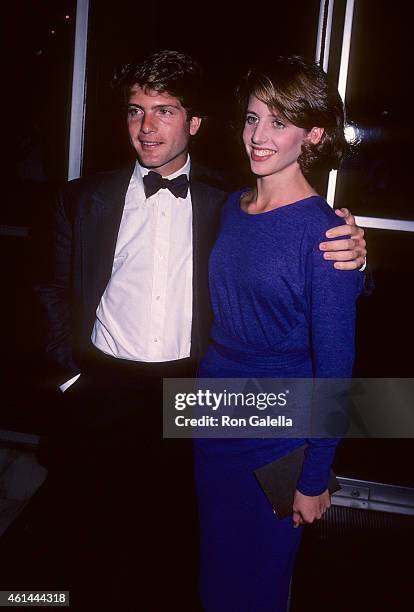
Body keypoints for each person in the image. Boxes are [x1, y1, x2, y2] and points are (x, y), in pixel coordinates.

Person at [33, 50, 366, 610]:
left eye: (164, 110)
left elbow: (315, 295)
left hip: (198, 397)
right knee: (89, 541)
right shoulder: (85, 199)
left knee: (187, 550)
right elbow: (45, 289)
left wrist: (357, 260)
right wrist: (69, 378)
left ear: (194, 123)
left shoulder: (218, 199)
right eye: (135, 110)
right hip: (105, 391)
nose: (147, 126)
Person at [193, 55, 364, 612]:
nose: (258, 136)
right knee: (215, 573)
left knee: (259, 585)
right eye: (251, 118)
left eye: (279, 122)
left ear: (312, 134)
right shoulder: (231, 207)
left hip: (277, 435)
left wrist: (315, 477)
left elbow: (336, 370)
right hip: (213, 414)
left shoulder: (326, 234)